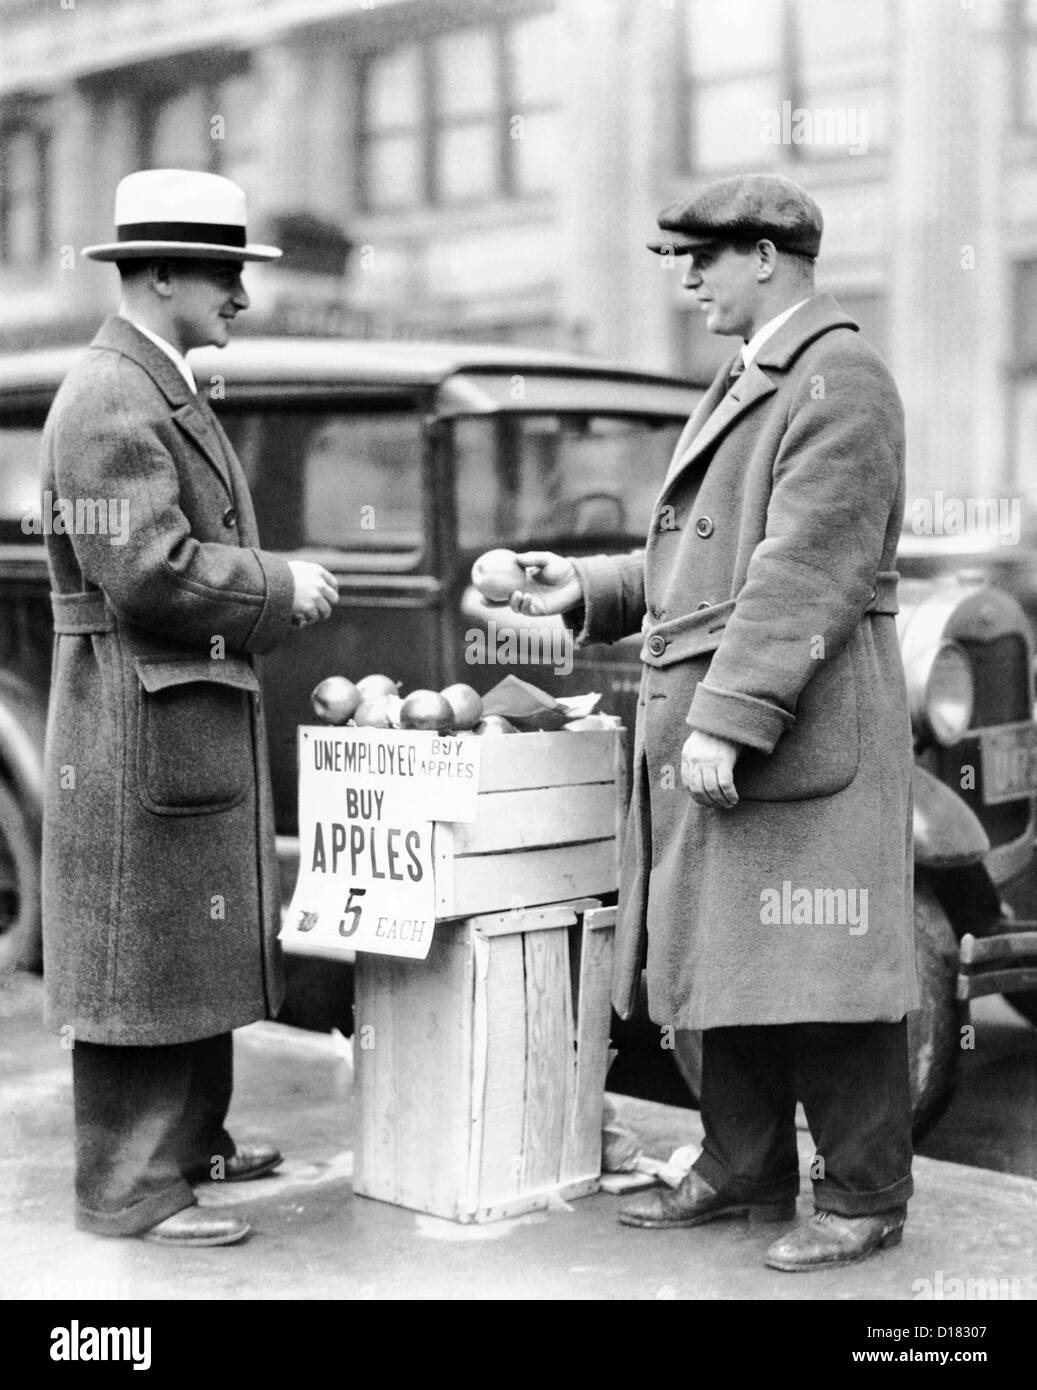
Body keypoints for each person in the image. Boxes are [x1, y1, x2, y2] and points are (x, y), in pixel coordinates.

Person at [499, 173, 917, 1271]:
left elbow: (804, 571)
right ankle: (742, 1165)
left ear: (768, 256)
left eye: (702, 258)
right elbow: (705, 564)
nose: (685, 279)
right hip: (751, 722)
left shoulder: (837, 374)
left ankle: (865, 1193)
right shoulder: (763, 374)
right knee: (725, 959)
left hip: (796, 727)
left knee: (822, 969)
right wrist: (584, 585)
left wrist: (727, 717)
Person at [41, 169, 339, 1246]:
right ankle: (127, 1187)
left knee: (180, 944)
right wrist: (278, 585)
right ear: (158, 273)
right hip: (136, 717)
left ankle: (188, 1143)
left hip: (165, 709)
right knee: (137, 949)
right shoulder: (113, 395)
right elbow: (147, 570)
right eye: (225, 274)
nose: (242, 298)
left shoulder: (145, 382)